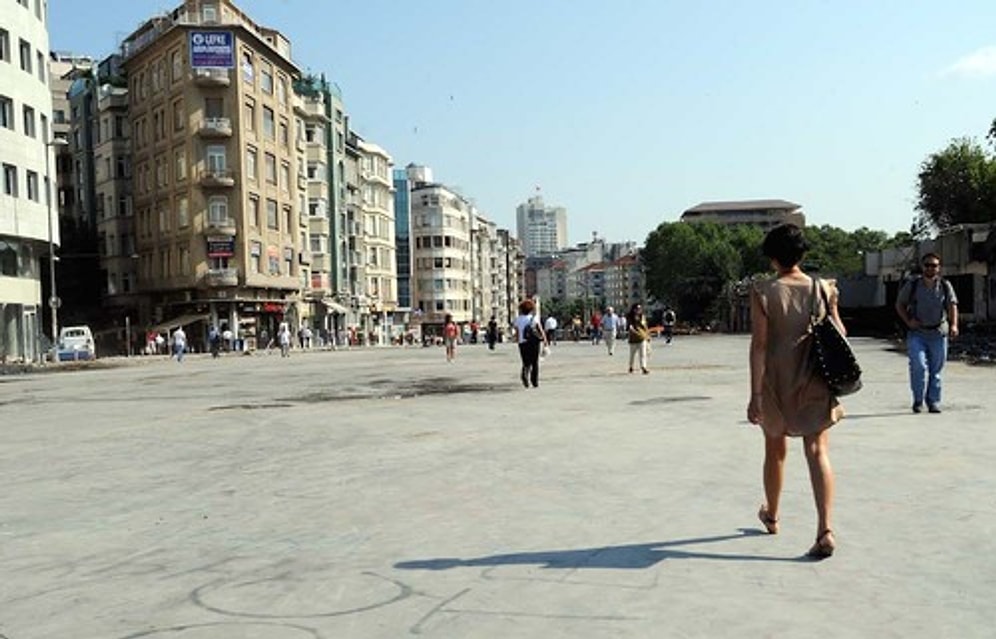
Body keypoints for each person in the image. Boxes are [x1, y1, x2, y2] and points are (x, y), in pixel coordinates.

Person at [747, 223, 844, 560]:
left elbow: (759, 345)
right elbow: (839, 334)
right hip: (815, 378)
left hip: (776, 381)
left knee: (775, 450)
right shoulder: (824, 288)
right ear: (803, 254)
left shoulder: (762, 291)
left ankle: (772, 515)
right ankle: (825, 529)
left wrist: (755, 395)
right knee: (817, 451)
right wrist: (832, 307)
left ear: (772, 257)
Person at [894, 253, 958, 413]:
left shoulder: (945, 285)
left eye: (934, 265)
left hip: (938, 333)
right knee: (919, 366)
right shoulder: (913, 285)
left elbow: (952, 305)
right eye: (928, 265)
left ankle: (933, 401)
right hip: (918, 333)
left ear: (939, 267)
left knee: (936, 370)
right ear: (923, 267)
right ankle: (917, 400)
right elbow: (899, 304)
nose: (931, 268)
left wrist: (954, 325)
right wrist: (908, 321)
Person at [515, 298, 548, 388]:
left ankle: (525, 375)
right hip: (534, 342)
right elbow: (540, 330)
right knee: (535, 362)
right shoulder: (534, 318)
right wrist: (545, 341)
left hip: (523, 343)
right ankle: (535, 381)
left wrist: (518, 341)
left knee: (526, 362)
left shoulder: (518, 319)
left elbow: (517, 333)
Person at [626, 303, 650, 374]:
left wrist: (647, 335)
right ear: (633, 309)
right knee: (632, 355)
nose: (639, 310)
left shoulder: (642, 316)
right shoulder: (630, 317)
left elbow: (645, 327)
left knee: (643, 354)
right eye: (637, 309)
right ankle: (631, 366)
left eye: (640, 309)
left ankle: (643, 367)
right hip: (633, 339)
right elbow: (630, 327)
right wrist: (632, 330)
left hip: (642, 337)